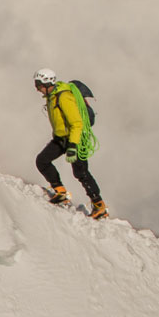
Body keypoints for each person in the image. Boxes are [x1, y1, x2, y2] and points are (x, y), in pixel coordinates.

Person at [34, 69, 107, 219]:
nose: (37, 88)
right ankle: (60, 191)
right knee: (42, 161)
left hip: (75, 139)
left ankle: (99, 206)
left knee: (81, 173)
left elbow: (77, 123)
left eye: (39, 85)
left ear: (47, 83)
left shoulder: (64, 97)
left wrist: (73, 146)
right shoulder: (51, 96)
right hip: (61, 138)